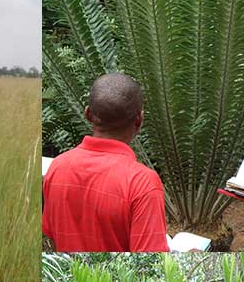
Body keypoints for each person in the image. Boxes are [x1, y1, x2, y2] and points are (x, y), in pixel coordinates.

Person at [42, 73, 169, 252]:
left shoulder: (57, 167)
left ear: (87, 113)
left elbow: (54, 238)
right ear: (139, 120)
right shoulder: (142, 183)